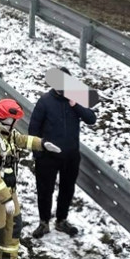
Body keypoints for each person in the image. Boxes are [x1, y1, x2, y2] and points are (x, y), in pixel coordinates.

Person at [0, 98, 60, 259]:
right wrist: (6, 200)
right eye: (14, 120)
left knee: (13, 226)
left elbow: (23, 140)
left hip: (8, 191)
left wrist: (42, 144)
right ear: (5, 118)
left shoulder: (10, 134)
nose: (16, 123)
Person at [28, 68, 96, 238]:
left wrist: (76, 105)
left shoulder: (76, 98)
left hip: (71, 156)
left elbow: (91, 119)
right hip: (48, 157)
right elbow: (33, 129)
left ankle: (61, 221)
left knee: (67, 189)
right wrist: (38, 154)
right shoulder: (44, 101)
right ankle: (44, 223)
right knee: (45, 191)